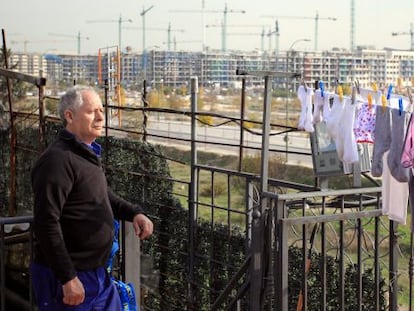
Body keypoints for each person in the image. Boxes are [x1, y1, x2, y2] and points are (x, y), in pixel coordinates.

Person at [30, 85, 154, 310]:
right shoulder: (57, 161)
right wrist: (68, 278)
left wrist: (134, 212)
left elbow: (102, 195)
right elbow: (46, 222)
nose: (100, 117)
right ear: (69, 116)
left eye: (101, 110)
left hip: (96, 276)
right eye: (91, 111)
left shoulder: (85, 154)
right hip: (69, 279)